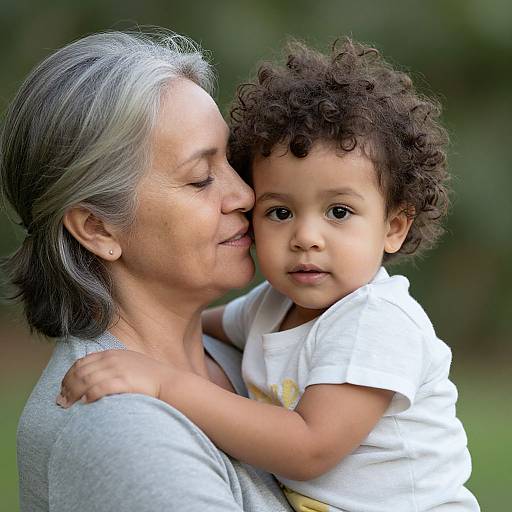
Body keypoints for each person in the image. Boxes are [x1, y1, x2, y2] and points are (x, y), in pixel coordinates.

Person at [60, 38, 481, 512]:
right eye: (279, 212)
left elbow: (308, 448)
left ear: (394, 227)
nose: (306, 237)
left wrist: (163, 382)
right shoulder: (272, 306)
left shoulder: (375, 323)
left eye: (339, 211)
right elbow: (202, 322)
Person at [0, 30, 293, 511]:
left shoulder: (246, 354)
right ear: (98, 228)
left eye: (232, 162)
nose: (244, 195)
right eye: (201, 179)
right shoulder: (125, 433)